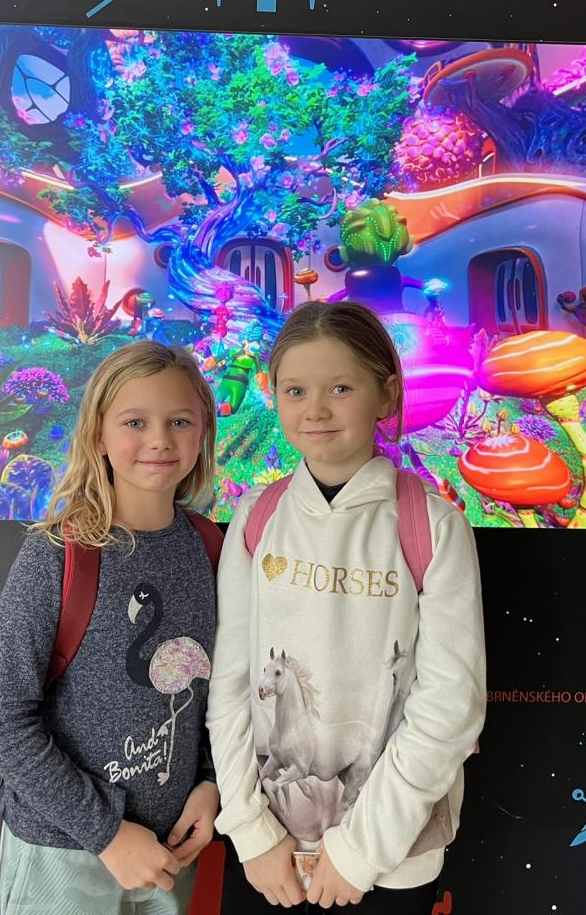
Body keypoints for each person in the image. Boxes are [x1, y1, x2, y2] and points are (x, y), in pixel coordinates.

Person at [207, 301, 486, 911]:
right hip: (270, 857)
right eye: (295, 390)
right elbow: (229, 688)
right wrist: (251, 831)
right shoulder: (256, 518)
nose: (316, 409)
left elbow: (451, 705)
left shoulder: (433, 526)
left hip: (391, 862)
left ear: (386, 395)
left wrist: (362, 850)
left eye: (340, 388)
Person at [0, 341, 223, 914]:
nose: (160, 440)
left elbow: (218, 694)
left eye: (180, 421)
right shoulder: (55, 556)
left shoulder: (210, 549)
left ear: (202, 433)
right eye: (135, 422)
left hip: (168, 854)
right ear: (99, 435)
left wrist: (211, 784)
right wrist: (107, 833)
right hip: (63, 853)